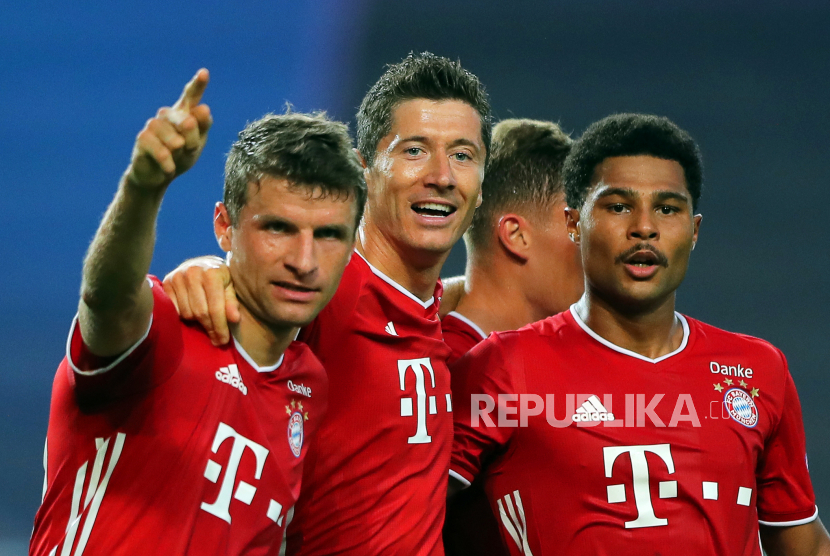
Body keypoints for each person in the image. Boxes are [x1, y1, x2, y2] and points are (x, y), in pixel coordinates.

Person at [449, 113, 830, 555]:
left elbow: (803, 545)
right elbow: (403, 517)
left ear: (694, 231)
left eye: (668, 209)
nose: (644, 227)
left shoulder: (758, 369)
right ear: (575, 223)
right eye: (618, 206)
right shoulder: (502, 367)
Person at [162, 52, 492, 555]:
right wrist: (208, 270)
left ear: (482, 183)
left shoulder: (428, 307)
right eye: (415, 151)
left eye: (463, 155)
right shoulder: (322, 290)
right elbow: (250, 292)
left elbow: (487, 289)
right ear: (362, 172)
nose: (442, 176)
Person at [30, 70, 366, 555]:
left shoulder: (308, 389)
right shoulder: (163, 329)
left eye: (329, 235)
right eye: (278, 228)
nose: (304, 261)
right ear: (224, 228)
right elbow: (107, 298)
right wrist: (144, 188)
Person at [441, 118, 583, 556]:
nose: (597, 241)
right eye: (575, 221)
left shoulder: (569, 361)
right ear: (516, 235)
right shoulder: (432, 367)